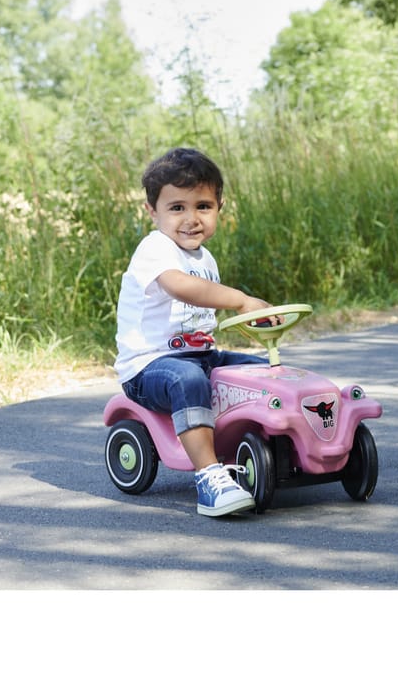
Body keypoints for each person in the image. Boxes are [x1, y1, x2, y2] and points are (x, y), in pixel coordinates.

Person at [115, 147, 275, 517]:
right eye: (177, 208)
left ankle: (271, 453)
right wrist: (240, 300)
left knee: (263, 373)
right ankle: (208, 477)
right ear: (152, 211)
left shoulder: (204, 258)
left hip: (201, 356)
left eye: (203, 206)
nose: (191, 219)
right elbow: (181, 287)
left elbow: (202, 317)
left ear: (220, 206)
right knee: (186, 379)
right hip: (150, 366)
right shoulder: (155, 248)